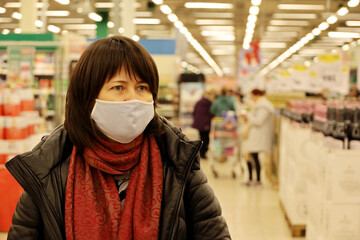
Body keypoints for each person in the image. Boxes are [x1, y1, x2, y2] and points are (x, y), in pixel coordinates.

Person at [5, 36, 231, 240]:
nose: (133, 99)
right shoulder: (48, 172)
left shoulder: (179, 165)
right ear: (88, 98)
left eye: (142, 87)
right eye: (118, 87)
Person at [240, 88, 274, 186]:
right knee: (250, 156)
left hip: (258, 136)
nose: (251, 98)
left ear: (257, 95)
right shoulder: (259, 106)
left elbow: (258, 121)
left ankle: (258, 180)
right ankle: (251, 179)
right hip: (254, 135)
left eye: (252, 96)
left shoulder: (264, 107)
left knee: (254, 157)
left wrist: (248, 114)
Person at [192, 89, 216, 159]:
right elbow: (212, 113)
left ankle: (200, 152)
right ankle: (203, 153)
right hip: (205, 123)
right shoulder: (209, 102)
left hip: (199, 123)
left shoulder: (199, 101)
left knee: (202, 137)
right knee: (206, 139)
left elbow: (194, 112)